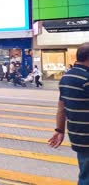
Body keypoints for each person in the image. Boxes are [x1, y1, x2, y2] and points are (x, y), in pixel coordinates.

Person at [48, 42, 89, 185]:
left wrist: (59, 130)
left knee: (85, 174)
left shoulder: (66, 77)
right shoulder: (87, 78)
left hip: (78, 135)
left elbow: (61, 107)